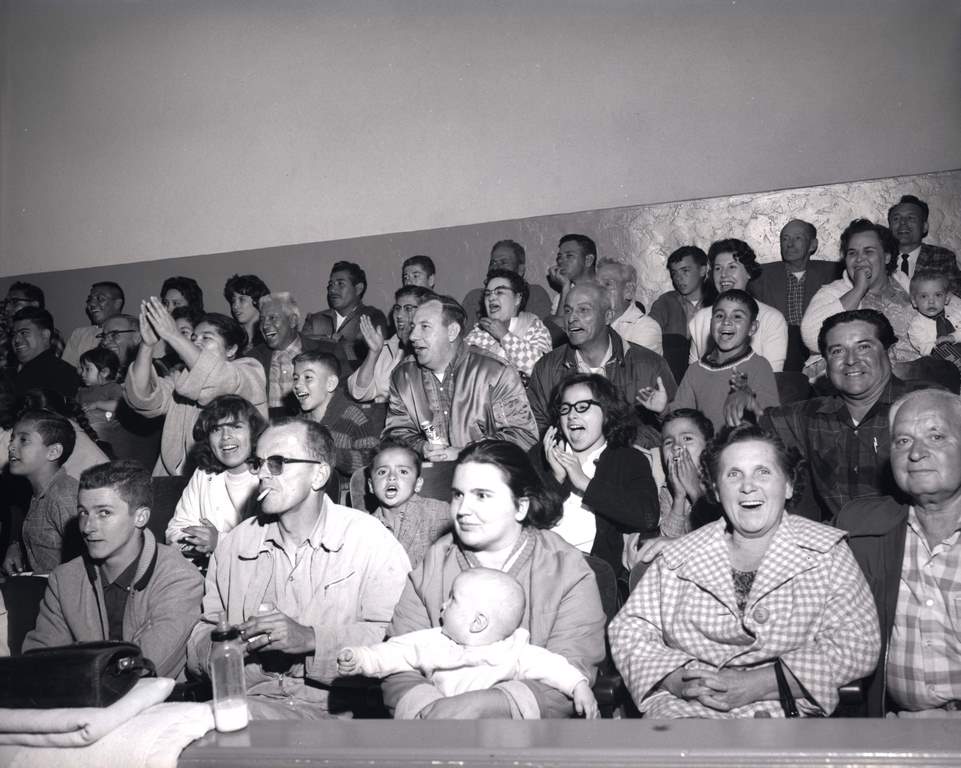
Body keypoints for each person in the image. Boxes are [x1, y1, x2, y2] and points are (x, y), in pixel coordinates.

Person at [609, 425, 881, 718]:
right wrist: (674, 678)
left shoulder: (827, 550)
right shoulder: (677, 556)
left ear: (788, 485)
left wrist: (762, 683)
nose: (748, 486)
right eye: (733, 474)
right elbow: (629, 631)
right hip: (687, 711)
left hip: (786, 709)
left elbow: (859, 642)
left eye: (763, 472)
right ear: (714, 488)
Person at [186, 417, 411, 719]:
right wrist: (220, 651)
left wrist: (312, 639)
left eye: (278, 463)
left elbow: (398, 643)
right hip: (246, 704)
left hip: (337, 712)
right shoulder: (235, 545)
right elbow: (205, 630)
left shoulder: (371, 541)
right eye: (259, 463)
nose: (263, 475)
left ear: (318, 475)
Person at [382, 440, 606, 719]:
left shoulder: (567, 569)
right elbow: (399, 660)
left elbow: (572, 670)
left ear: (521, 506)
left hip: (531, 740)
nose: (463, 510)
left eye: (482, 496)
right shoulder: (432, 563)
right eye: (458, 495)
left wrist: (487, 705)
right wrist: (426, 709)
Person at [837, 389, 961, 717]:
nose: (917, 453)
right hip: (895, 731)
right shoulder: (862, 530)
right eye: (902, 441)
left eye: (936, 435)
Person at [23, 461, 204, 679]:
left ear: (140, 517)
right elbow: (38, 664)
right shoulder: (64, 579)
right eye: (83, 513)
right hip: (81, 702)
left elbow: (145, 668)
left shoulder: (179, 578)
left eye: (104, 513)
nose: (88, 527)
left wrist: (74, 665)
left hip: (161, 705)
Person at [338, 568, 599, 718]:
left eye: (452, 600)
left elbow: (552, 667)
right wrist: (360, 658)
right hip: (436, 727)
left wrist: (579, 686)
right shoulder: (434, 639)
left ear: (478, 622)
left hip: (496, 734)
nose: (443, 605)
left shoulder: (515, 650)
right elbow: (394, 652)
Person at [759, 309, 926, 523]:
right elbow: (760, 423)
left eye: (863, 347)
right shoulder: (813, 415)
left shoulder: (924, 405)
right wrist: (747, 396)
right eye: (837, 351)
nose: (850, 360)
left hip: (911, 544)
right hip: (841, 546)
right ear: (826, 365)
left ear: (890, 352)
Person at [536, 373, 659, 579]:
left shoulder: (628, 459)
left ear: (607, 412)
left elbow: (647, 517)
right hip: (540, 564)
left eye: (582, 406)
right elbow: (523, 519)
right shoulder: (542, 454)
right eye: (565, 408)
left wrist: (585, 483)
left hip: (592, 572)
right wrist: (556, 479)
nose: (572, 415)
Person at [384, 295, 539, 458]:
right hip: (429, 477)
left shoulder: (496, 372)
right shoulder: (403, 375)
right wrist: (422, 448)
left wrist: (465, 454)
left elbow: (523, 437)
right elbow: (395, 435)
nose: (413, 336)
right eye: (413, 326)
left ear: (452, 332)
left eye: (425, 327)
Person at [124, 299, 266, 476]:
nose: (196, 342)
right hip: (173, 482)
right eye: (193, 338)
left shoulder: (249, 371)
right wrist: (147, 345)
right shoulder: (181, 377)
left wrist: (173, 335)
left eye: (206, 338)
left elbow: (217, 378)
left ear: (231, 350)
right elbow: (143, 399)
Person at [527, 281, 676, 434]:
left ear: (608, 316)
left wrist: (663, 413)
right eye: (567, 310)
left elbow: (677, 429)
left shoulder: (649, 365)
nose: (571, 318)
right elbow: (536, 428)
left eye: (583, 310)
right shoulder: (547, 367)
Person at [801, 219, 918, 371]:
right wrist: (858, 290)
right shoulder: (832, 292)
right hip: (860, 376)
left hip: (920, 371)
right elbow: (811, 338)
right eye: (852, 253)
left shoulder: (907, 284)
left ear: (887, 257)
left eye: (869, 251)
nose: (859, 259)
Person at [662, 289, 779, 431]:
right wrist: (662, 409)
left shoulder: (759, 366)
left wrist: (748, 398)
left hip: (740, 446)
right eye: (719, 315)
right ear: (711, 324)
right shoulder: (695, 370)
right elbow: (680, 420)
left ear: (752, 328)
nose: (726, 322)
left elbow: (771, 422)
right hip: (705, 448)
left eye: (737, 317)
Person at [165, 395, 265, 557]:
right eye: (216, 429)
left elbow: (270, 541)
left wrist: (219, 542)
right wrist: (199, 545)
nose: (225, 436)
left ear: (254, 433)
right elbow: (176, 529)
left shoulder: (268, 475)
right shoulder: (203, 474)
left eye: (235, 426)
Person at [749, 220, 839, 371]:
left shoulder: (833, 273)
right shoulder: (760, 276)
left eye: (797, 238)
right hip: (779, 354)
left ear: (812, 245)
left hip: (822, 354)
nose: (789, 244)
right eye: (785, 238)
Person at [688, 239, 788, 372]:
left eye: (732, 267)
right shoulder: (700, 318)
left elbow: (771, 378)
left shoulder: (772, 319)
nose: (723, 275)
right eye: (718, 268)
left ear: (749, 272)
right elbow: (693, 375)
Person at [2, 409, 79, 575]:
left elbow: (86, 564)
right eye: (12, 438)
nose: (11, 446)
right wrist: (17, 546)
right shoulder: (36, 493)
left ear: (53, 452)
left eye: (23, 440)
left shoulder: (64, 496)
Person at [292, 350, 379, 479]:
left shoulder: (354, 417)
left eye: (308, 377)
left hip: (343, 493)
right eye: (295, 378)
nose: (298, 385)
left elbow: (371, 460)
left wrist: (330, 453)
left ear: (330, 384)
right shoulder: (297, 423)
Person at [247, 292, 336, 418]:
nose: (265, 325)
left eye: (272, 318)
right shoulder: (252, 359)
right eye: (262, 319)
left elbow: (344, 397)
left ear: (292, 321)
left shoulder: (328, 351)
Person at [369, 440, 452, 568]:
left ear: (418, 484)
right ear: (371, 486)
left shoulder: (441, 513)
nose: (391, 477)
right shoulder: (365, 527)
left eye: (403, 471)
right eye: (382, 472)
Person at [347, 285, 433, 404]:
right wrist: (374, 353)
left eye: (408, 309)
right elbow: (358, 393)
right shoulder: (387, 347)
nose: (399, 316)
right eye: (397, 308)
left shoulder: (432, 352)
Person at [463, 269, 552, 382]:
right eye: (487, 294)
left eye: (499, 292)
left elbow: (541, 370)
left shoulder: (534, 327)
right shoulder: (479, 333)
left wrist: (504, 336)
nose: (491, 298)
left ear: (517, 299)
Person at [302, 261, 388, 368]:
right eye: (330, 285)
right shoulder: (315, 320)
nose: (332, 290)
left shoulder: (372, 317)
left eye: (340, 284)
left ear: (358, 289)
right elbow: (300, 347)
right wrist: (328, 339)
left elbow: (374, 357)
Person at [649, 245, 714, 382]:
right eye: (674, 273)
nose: (679, 278)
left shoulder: (719, 303)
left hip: (710, 372)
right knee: (674, 341)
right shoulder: (666, 301)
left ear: (703, 270)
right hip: (674, 376)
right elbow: (648, 332)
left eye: (685, 271)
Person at [656, 408, 721, 539]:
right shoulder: (668, 491)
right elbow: (668, 542)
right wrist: (679, 498)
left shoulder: (721, 482)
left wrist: (695, 491)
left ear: (708, 446)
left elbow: (721, 536)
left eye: (687, 438)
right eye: (668, 442)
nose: (676, 446)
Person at [462, 240, 553, 329]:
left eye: (503, 262)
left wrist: (503, 335)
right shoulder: (474, 297)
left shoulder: (535, 294)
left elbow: (544, 335)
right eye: (493, 263)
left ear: (520, 270)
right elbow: (464, 338)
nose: (495, 267)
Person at [887, 194, 960, 293]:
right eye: (896, 219)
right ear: (890, 227)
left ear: (924, 227)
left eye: (911, 218)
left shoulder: (942, 257)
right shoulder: (880, 258)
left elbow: (953, 297)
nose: (903, 223)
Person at [10, 306, 81, 399]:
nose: (16, 340)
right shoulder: (18, 372)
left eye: (24, 333)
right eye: (13, 334)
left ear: (45, 335)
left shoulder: (61, 375)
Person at [596, 257, 662, 354]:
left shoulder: (646, 328)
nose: (597, 291)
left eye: (607, 284)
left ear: (628, 291)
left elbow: (630, 367)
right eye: (596, 285)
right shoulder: (590, 322)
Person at [545, 234, 599, 341]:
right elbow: (556, 334)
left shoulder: (605, 291)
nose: (561, 261)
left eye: (569, 256)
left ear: (588, 260)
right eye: (559, 257)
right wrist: (565, 287)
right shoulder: (561, 297)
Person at [62, 281, 126, 367]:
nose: (91, 304)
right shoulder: (79, 335)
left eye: (100, 299)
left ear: (117, 304)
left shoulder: (131, 334)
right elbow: (66, 371)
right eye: (90, 300)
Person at [906, 270, 961, 359]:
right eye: (924, 296)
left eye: (938, 295)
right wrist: (940, 345)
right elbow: (924, 348)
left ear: (946, 298)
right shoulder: (917, 326)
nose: (931, 301)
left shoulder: (956, 312)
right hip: (941, 362)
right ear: (914, 302)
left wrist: (953, 337)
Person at [76, 346, 123, 441]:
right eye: (82, 369)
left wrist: (97, 404)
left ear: (104, 372)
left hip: (106, 432)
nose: (82, 374)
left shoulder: (113, 387)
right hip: (84, 431)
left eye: (87, 369)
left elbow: (118, 405)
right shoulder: (82, 391)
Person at [224, 273, 270, 353]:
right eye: (233, 300)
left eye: (242, 300)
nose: (235, 306)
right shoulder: (230, 336)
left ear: (257, 301)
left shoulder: (270, 338)